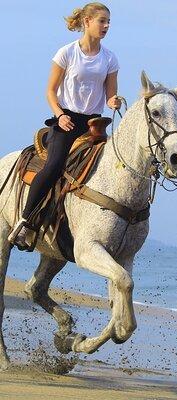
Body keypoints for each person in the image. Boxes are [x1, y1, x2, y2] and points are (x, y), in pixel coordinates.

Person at [8, 2, 121, 249]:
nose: (106, 26)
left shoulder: (110, 58)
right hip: (66, 121)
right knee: (54, 166)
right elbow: (50, 91)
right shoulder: (67, 53)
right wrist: (59, 115)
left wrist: (114, 100)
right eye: (102, 21)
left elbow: (110, 94)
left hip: (94, 124)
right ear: (87, 22)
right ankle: (25, 221)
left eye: (108, 22)